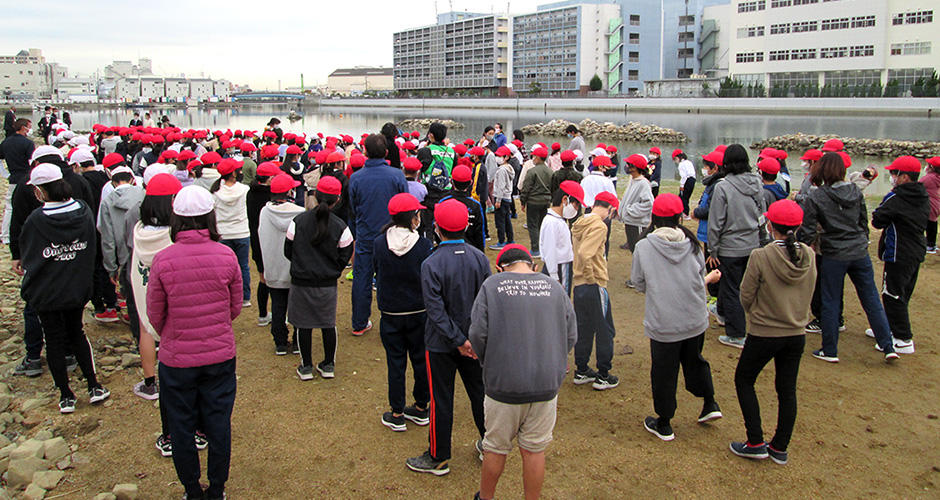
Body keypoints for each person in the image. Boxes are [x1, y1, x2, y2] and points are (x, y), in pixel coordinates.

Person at [148, 185, 241, 500]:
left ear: (176, 219)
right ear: (210, 217)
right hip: (218, 355)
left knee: (181, 425)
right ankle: (217, 489)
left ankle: (191, 489)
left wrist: (175, 332)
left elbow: (154, 315)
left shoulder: (163, 259)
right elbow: (234, 307)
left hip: (177, 359)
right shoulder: (226, 255)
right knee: (218, 424)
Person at [470, 244, 576, 500]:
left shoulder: (492, 286)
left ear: (499, 267)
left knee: (495, 448)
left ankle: (485, 498)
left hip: (504, 383)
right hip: (546, 384)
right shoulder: (555, 287)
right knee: (534, 450)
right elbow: (571, 333)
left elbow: (477, 334)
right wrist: (555, 360)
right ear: (533, 266)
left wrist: (489, 362)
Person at [406, 199, 490, 476]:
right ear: (466, 225)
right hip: (473, 342)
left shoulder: (431, 263)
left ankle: (438, 456)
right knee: (480, 394)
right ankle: (491, 445)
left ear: (437, 228)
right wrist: (470, 340)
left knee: (442, 399)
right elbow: (487, 304)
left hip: (441, 343)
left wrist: (458, 340)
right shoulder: (480, 258)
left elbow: (435, 311)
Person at [19, 163, 110, 413]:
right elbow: (90, 246)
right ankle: (93, 385)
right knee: (77, 332)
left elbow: (29, 255)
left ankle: (66, 394)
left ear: (40, 191)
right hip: (76, 286)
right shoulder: (83, 211)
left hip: (47, 290)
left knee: (54, 339)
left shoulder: (37, 219)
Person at [731, 199, 816, 464]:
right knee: (787, 390)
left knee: (744, 380)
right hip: (796, 332)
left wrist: (757, 312)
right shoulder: (809, 255)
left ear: (770, 225)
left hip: (765, 331)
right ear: (799, 226)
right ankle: (779, 446)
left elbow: (746, 294)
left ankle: (755, 440)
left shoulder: (762, 255)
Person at [632, 193, 722, 442]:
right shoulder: (692, 243)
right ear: (678, 217)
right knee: (694, 360)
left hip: (664, 321)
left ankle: (664, 422)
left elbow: (639, 283)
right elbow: (699, 274)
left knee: (664, 370)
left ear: (654, 218)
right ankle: (710, 402)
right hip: (694, 317)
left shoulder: (644, 246)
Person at [798, 152, 898, 363]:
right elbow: (863, 220)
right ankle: (887, 344)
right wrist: (862, 240)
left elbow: (807, 229)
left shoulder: (817, 196)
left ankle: (830, 349)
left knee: (830, 300)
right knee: (871, 298)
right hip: (858, 250)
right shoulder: (854, 190)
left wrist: (798, 248)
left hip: (833, 252)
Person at [373, 193, 433, 432]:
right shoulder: (424, 245)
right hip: (419, 311)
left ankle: (397, 412)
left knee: (395, 361)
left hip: (391, 312)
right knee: (420, 359)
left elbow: (377, 270)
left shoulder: (379, 243)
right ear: (413, 218)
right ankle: (421, 406)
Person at [285, 176, 354, 379]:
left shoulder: (298, 221)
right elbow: (345, 253)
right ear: (338, 199)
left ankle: (306, 366)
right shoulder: (340, 225)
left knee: (303, 323)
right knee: (327, 322)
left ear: (315, 195)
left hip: (301, 280)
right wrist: (333, 270)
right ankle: (328, 364)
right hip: (326, 283)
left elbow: (288, 249)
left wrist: (300, 265)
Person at [129, 174, 182, 432]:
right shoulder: (175, 232)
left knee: (145, 330)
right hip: (172, 290)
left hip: (144, 284)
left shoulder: (139, 230)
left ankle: (150, 382)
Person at [707, 144, 766, 349]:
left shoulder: (723, 187)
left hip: (730, 246)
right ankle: (723, 313)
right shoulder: (757, 183)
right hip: (752, 244)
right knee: (737, 286)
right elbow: (762, 214)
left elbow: (716, 221)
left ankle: (737, 334)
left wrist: (712, 249)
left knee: (732, 289)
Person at [348, 134, 408, 336]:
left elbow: (354, 208)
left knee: (362, 279)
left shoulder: (356, 178)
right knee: (390, 277)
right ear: (386, 153)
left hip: (366, 233)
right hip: (390, 233)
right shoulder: (397, 175)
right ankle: (390, 319)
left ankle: (359, 321)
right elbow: (405, 204)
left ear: (365, 152)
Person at [869, 156, 929, 355]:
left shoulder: (897, 197)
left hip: (899, 252)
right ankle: (888, 327)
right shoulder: (922, 195)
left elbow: (877, 220)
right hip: (915, 250)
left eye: (894, 173)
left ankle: (903, 338)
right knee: (903, 292)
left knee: (892, 293)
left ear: (903, 177)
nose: (891, 176)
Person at [571, 190, 620, 390]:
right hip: (594, 284)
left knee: (584, 328)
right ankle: (603, 375)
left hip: (578, 285)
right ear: (610, 209)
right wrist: (592, 277)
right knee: (605, 330)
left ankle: (581, 369)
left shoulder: (581, 222)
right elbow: (585, 253)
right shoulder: (599, 226)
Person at [259, 174, 305, 356]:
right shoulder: (300, 213)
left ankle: (279, 341)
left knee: (277, 305)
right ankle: (297, 341)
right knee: (298, 305)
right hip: (294, 268)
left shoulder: (265, 212)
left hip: (272, 265)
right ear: (289, 191)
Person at [211, 158, 252, 307]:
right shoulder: (244, 190)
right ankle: (245, 297)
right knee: (243, 266)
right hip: (241, 232)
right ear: (233, 173)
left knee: (224, 268)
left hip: (223, 233)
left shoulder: (215, 192)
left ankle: (225, 296)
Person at [248, 162, 280, 327]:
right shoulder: (270, 197)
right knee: (274, 279)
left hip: (255, 240)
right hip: (269, 240)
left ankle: (262, 314)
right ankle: (276, 314)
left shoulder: (251, 192)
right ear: (270, 178)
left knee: (263, 278)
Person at [540, 181, 583, 296]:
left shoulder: (559, 220)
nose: (577, 209)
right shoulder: (552, 222)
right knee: (561, 298)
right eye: (576, 205)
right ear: (565, 200)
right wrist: (555, 277)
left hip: (561, 266)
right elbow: (549, 251)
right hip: (559, 267)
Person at [618, 155, 654, 285]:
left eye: (629, 164)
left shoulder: (643, 183)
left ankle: (641, 279)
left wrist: (629, 210)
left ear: (635, 167)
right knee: (635, 250)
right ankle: (638, 277)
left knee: (640, 251)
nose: (626, 167)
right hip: (630, 221)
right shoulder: (633, 180)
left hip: (637, 223)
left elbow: (648, 203)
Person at [0, 118, 34, 244]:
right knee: (27, 206)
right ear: (23, 127)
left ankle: (5, 235)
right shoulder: (28, 143)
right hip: (26, 178)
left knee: (10, 207)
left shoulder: (6, 142)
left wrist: (5, 174)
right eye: (29, 126)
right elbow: (32, 162)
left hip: (13, 178)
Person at [439, 164, 486, 251]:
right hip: (470, 249)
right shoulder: (475, 205)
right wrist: (480, 251)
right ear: (470, 182)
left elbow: (437, 228)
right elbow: (479, 232)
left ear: (452, 181)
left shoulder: (443, 202)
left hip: (446, 249)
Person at [520, 147, 552, 257]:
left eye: (534, 156)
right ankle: (543, 247)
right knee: (542, 225)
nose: (533, 159)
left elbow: (526, 188)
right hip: (546, 201)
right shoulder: (550, 171)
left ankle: (535, 249)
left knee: (532, 225)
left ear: (537, 158)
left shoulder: (532, 171)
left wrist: (522, 201)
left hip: (533, 202)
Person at [489, 146, 515, 250]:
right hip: (507, 197)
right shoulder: (509, 168)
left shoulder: (501, 170)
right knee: (507, 219)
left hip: (502, 198)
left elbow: (500, 186)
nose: (497, 158)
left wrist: (498, 200)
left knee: (500, 221)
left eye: (499, 156)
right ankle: (510, 239)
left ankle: (501, 241)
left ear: (506, 157)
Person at [921, 157, 940, 254]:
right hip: (936, 204)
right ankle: (932, 244)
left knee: (928, 224)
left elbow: (918, 186)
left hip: (929, 204)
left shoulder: (929, 178)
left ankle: (930, 245)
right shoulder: (937, 178)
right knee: (933, 223)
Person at [674, 150, 696, 219]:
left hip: (687, 180)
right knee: (686, 196)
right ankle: (684, 212)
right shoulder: (689, 162)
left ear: (678, 157)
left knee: (683, 197)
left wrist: (682, 185)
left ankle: (685, 213)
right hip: (692, 179)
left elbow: (684, 176)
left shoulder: (681, 164)